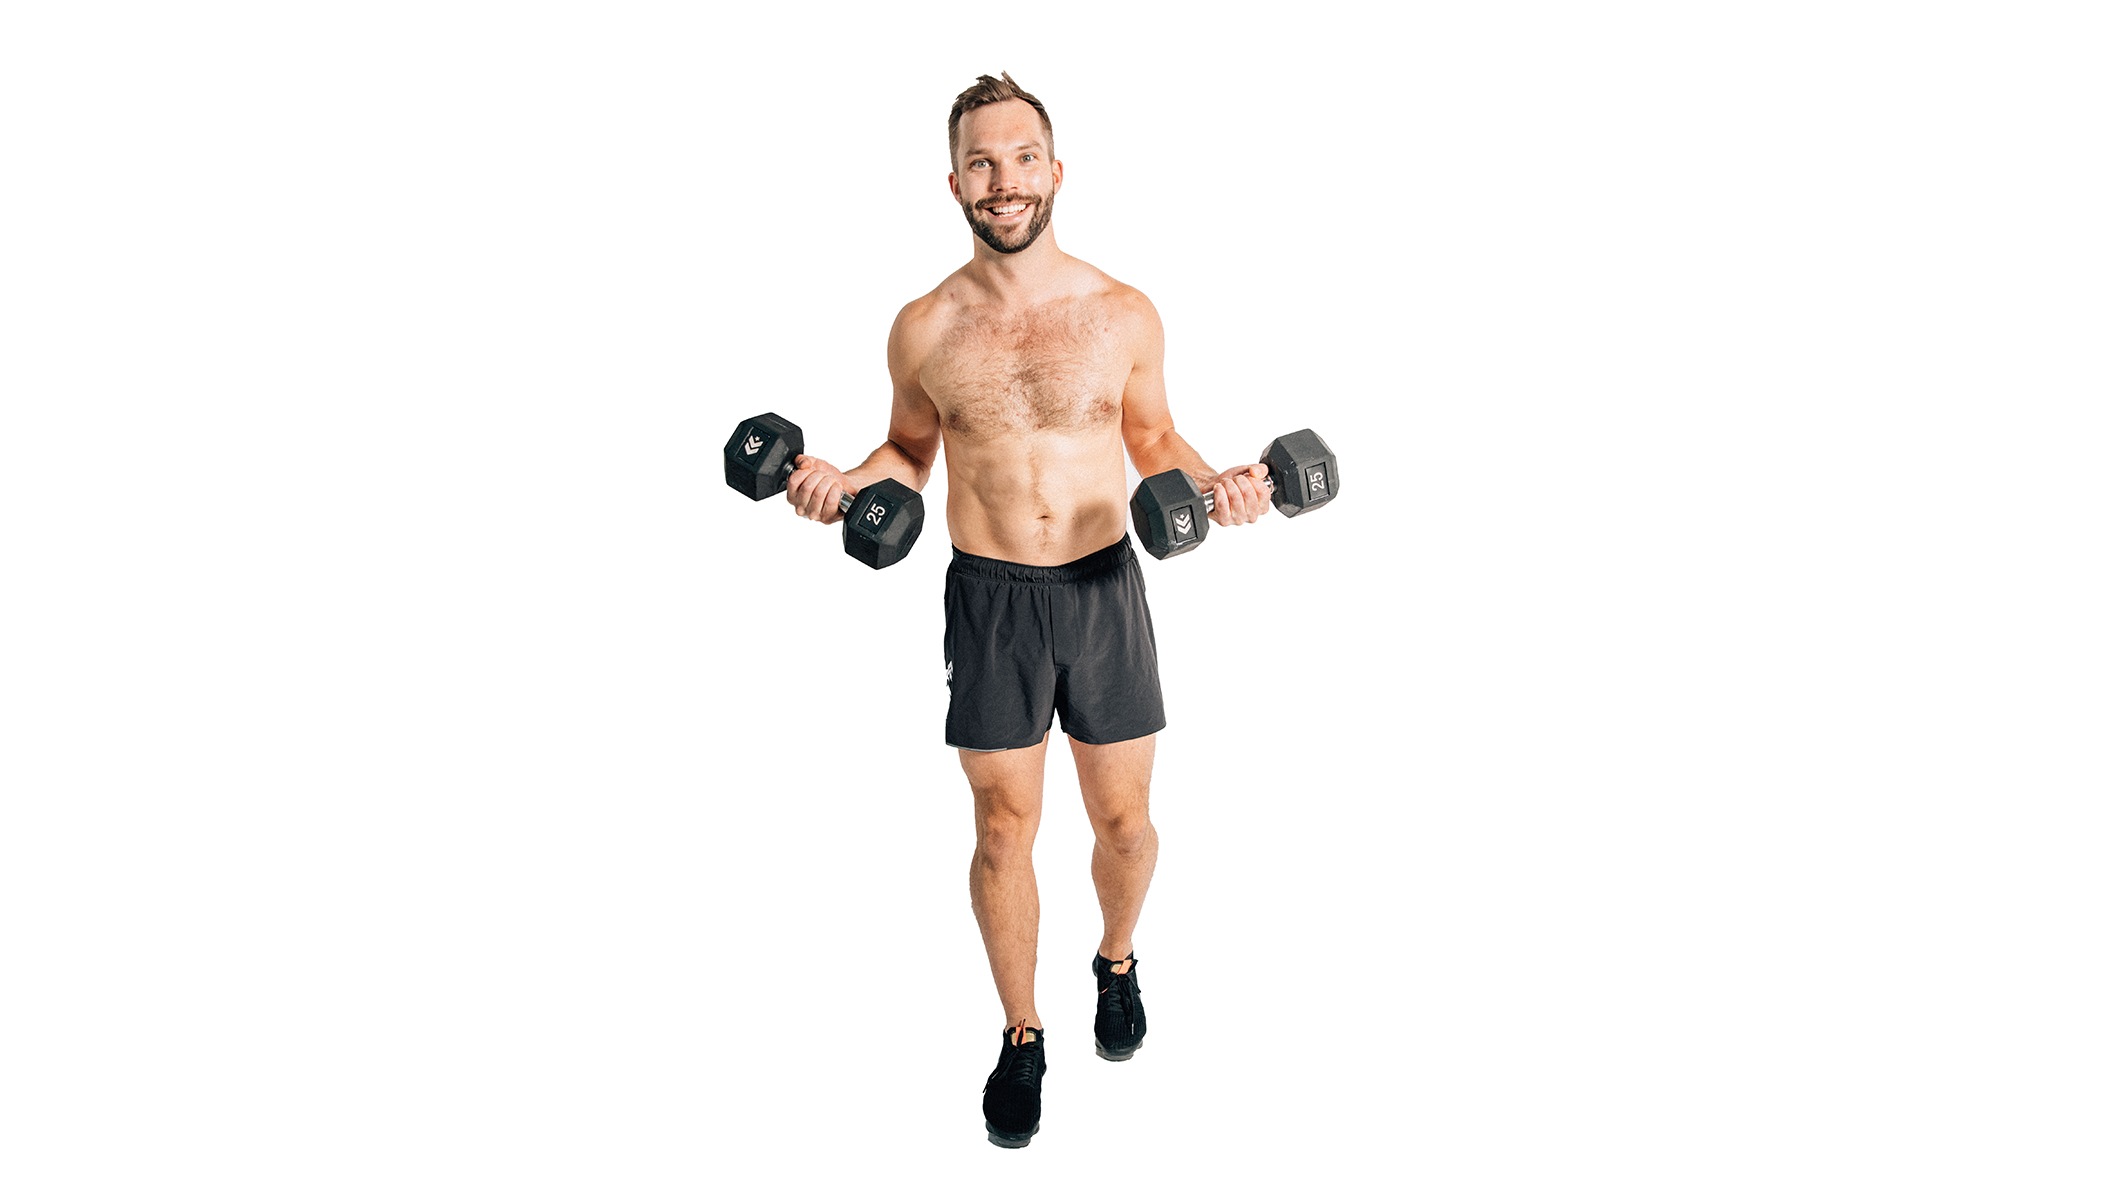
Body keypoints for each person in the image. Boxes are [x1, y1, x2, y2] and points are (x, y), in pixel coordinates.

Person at [781, 72, 1274, 1149]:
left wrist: (1220, 484)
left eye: (1020, 159)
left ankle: (1115, 960)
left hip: (1104, 588)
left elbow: (1154, 442)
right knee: (1004, 831)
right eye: (980, 163)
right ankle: (1019, 1033)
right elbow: (907, 454)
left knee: (1124, 826)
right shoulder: (922, 328)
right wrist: (836, 485)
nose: (1002, 182)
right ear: (952, 179)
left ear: (1055, 172)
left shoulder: (1122, 311)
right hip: (989, 599)